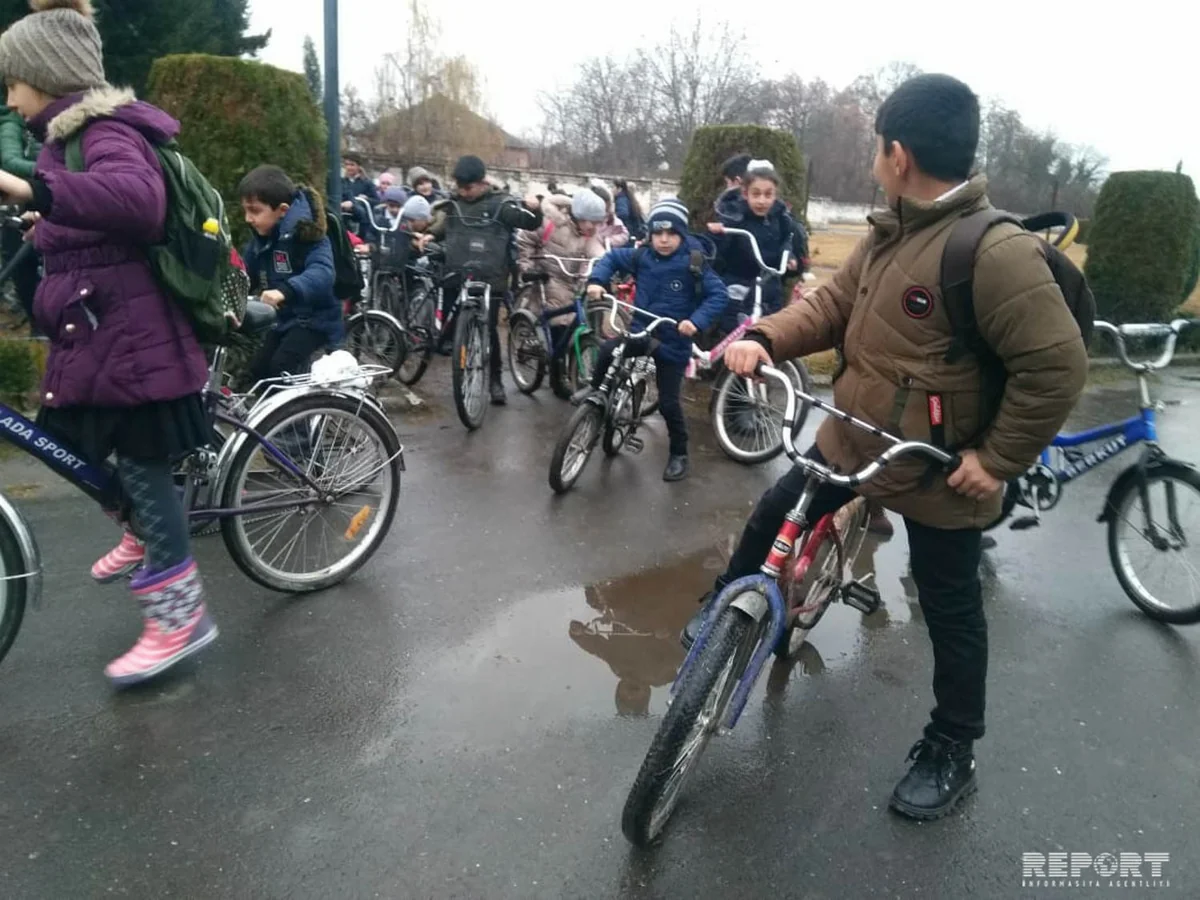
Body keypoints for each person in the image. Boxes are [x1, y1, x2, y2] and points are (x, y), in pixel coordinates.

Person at [682, 74, 1089, 819]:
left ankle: (953, 746)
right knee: (775, 512)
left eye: (877, 148)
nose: (876, 160)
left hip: (940, 471)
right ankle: (722, 611)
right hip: (855, 438)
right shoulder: (889, 231)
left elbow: (1057, 368)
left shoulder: (994, 252)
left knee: (950, 610)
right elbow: (831, 307)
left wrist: (996, 461)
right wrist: (764, 336)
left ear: (898, 155)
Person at [0, 0, 218, 687]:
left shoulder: (104, 129)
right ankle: (139, 520)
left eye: (13, 82)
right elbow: (88, 213)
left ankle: (180, 618)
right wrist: (46, 219)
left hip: (132, 337)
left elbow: (136, 201)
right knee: (66, 445)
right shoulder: (65, 139)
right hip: (97, 330)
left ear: (46, 77)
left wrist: (32, 189)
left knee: (144, 467)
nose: (9, 97)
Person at [579, 197, 729, 482]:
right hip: (642, 332)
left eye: (671, 233)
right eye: (658, 233)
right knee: (608, 350)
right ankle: (596, 395)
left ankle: (679, 453)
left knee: (668, 403)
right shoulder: (642, 256)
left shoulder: (693, 263)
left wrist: (695, 321)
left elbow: (718, 295)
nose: (663, 239)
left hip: (673, 341)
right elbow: (611, 258)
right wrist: (597, 281)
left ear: (682, 234)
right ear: (650, 234)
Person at [420, 154, 543, 405]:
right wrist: (431, 235)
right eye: (460, 187)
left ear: (482, 182)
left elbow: (528, 223)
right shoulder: (454, 204)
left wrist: (534, 208)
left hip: (492, 276)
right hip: (460, 270)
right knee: (456, 319)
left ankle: (495, 380)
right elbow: (445, 226)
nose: (463, 192)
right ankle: (451, 350)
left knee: (489, 329)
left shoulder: (501, 204)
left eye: (468, 187)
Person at [238, 165, 343, 381]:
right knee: (257, 371)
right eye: (246, 211)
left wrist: (285, 291)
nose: (248, 218)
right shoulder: (262, 239)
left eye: (255, 211)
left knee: (281, 368)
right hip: (284, 320)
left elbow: (322, 272)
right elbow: (245, 273)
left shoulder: (309, 235)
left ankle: (303, 405)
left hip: (314, 321)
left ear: (283, 210)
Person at [517, 188, 607, 387]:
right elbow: (525, 240)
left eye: (597, 223)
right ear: (579, 216)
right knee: (558, 322)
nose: (594, 227)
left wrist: (608, 265)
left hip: (571, 281)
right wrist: (528, 267)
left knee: (572, 323)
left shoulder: (587, 234)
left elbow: (598, 252)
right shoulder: (550, 222)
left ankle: (565, 367)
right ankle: (557, 375)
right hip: (546, 277)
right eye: (591, 222)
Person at [708, 159, 807, 324]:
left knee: (769, 332)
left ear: (775, 195)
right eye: (756, 194)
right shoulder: (733, 216)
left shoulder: (782, 219)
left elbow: (787, 241)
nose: (762, 201)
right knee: (733, 332)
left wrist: (789, 257)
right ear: (745, 193)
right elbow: (718, 255)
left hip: (769, 291)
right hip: (738, 290)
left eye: (768, 195)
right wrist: (719, 234)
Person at [0, 102, 41, 324]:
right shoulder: (12, 123)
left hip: (42, 198)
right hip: (20, 202)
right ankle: (38, 326)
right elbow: (11, 160)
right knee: (20, 263)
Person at [587, 183, 631, 249]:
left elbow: (625, 235)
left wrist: (608, 240)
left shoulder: (611, 220)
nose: (604, 212)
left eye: (606, 209)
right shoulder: (584, 221)